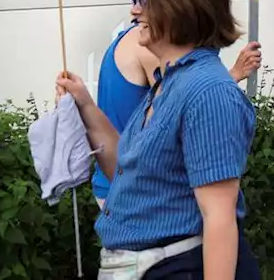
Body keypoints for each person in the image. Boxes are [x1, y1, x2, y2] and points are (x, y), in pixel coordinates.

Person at [55, 0, 260, 278]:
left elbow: (218, 217)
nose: (135, 10)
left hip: (177, 267)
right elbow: (125, 169)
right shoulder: (169, 83)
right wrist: (85, 107)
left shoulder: (207, 90)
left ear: (182, 7)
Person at [93, 18, 262, 208]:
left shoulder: (128, 39)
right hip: (136, 191)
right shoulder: (147, 51)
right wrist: (232, 76)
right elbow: (171, 110)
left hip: (114, 180)